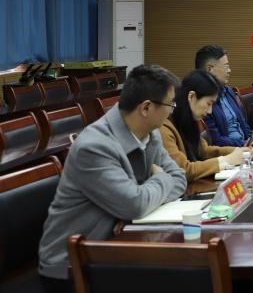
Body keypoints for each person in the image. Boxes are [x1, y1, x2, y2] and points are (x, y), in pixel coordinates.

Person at [38, 65, 186, 291]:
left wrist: (147, 193)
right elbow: (135, 204)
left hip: (118, 250)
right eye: (170, 105)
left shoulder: (150, 134)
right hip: (71, 267)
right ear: (146, 107)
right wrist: (160, 181)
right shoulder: (94, 147)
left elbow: (180, 179)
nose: (172, 111)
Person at [160, 70, 246, 181]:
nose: (210, 111)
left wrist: (236, 151)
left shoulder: (188, 119)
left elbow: (204, 150)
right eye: (208, 103)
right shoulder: (164, 127)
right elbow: (183, 170)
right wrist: (227, 160)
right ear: (192, 97)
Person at [195, 44, 253, 147]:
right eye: (226, 66)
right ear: (210, 69)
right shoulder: (202, 100)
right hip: (229, 151)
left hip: (245, 147)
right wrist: (243, 144)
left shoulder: (228, 90)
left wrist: (252, 139)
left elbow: (243, 124)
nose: (229, 70)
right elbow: (215, 140)